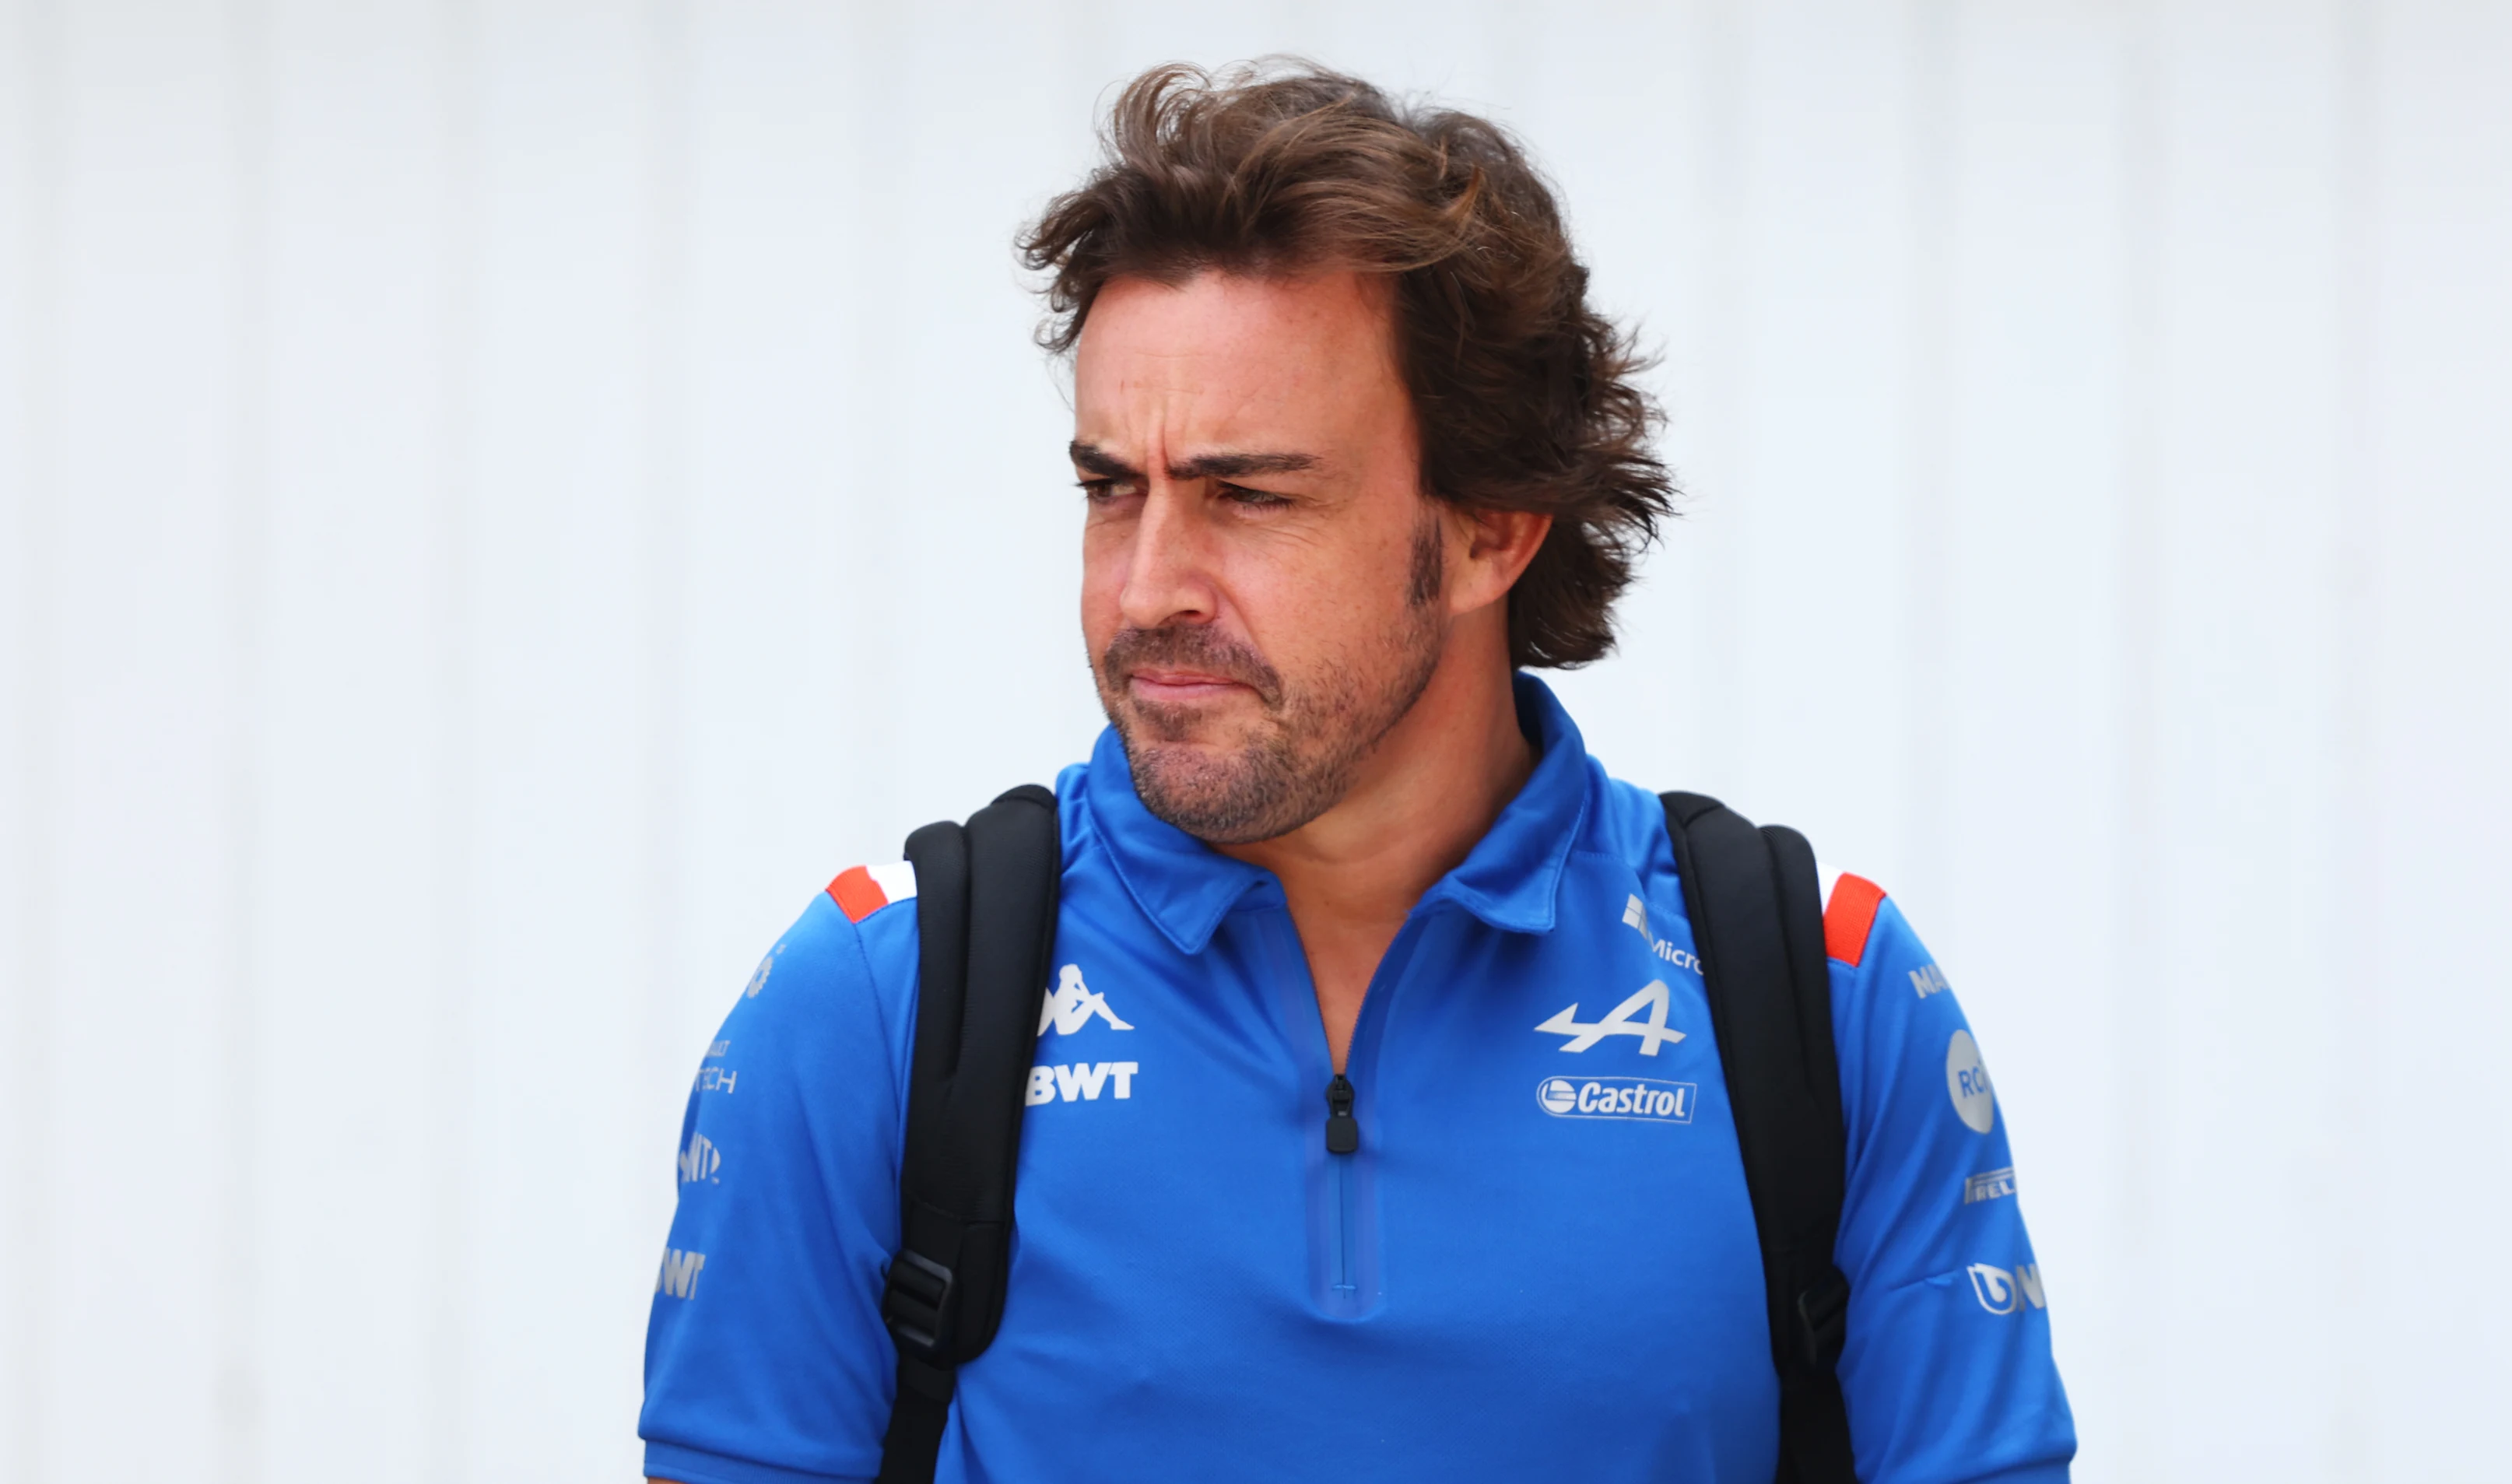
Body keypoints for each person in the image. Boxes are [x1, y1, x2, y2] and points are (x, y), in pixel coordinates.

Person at [641, 61, 2073, 1484]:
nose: (1146, 590)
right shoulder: (875, 1004)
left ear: (1492, 528)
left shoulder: (1824, 999)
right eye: (1110, 488)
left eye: (1248, 495)